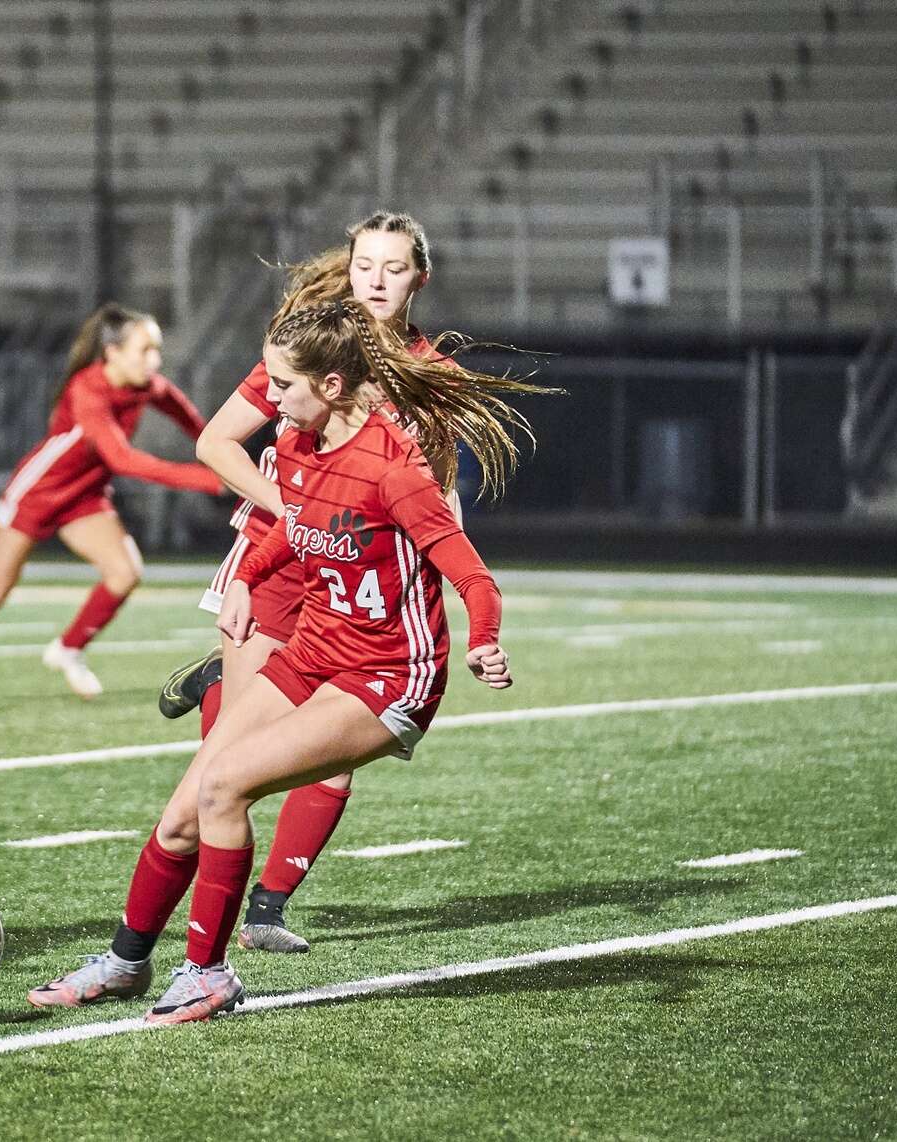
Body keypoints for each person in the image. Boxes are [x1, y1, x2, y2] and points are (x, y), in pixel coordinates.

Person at [29, 295, 533, 1025]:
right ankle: (124, 963)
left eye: (283, 387)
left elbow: (472, 575)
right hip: (313, 653)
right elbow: (297, 528)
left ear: (331, 386)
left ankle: (207, 975)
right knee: (182, 814)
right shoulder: (298, 444)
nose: (270, 398)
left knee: (225, 786)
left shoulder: (394, 467)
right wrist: (246, 578)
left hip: (389, 676)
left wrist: (484, 637)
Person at [158, 212, 467, 954]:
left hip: (361, 576)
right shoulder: (312, 343)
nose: (378, 281)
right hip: (281, 559)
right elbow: (215, 441)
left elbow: (439, 487)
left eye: (395, 269)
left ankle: (268, 903)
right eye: (366, 265)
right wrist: (292, 511)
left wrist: (448, 555)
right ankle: (174, 931)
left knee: (329, 745)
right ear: (350, 266)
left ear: (419, 279)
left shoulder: (433, 375)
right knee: (220, 767)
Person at [0, 302, 225, 707]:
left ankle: (68, 649)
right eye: (144, 350)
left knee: (125, 573)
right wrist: (211, 480)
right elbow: (122, 459)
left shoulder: (149, 386)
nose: (155, 360)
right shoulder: (88, 389)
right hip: (38, 493)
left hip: (86, 496)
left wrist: (219, 451)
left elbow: (192, 421)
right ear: (112, 352)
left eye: (155, 350)